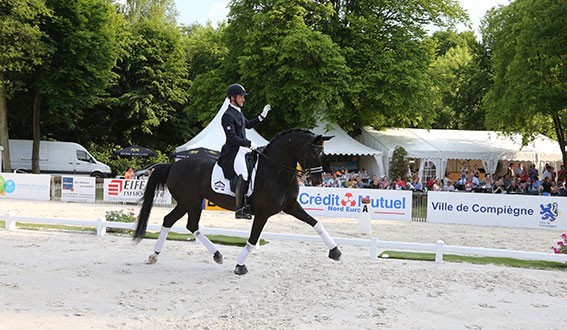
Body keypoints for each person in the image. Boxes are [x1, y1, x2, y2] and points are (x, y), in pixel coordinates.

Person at [218, 83, 271, 219]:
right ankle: (239, 208)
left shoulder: (238, 113)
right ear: (232, 98)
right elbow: (232, 137)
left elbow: (247, 125)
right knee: (244, 174)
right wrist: (248, 143)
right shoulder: (227, 115)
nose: (243, 99)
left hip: (243, 149)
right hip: (233, 152)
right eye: (241, 97)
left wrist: (261, 117)